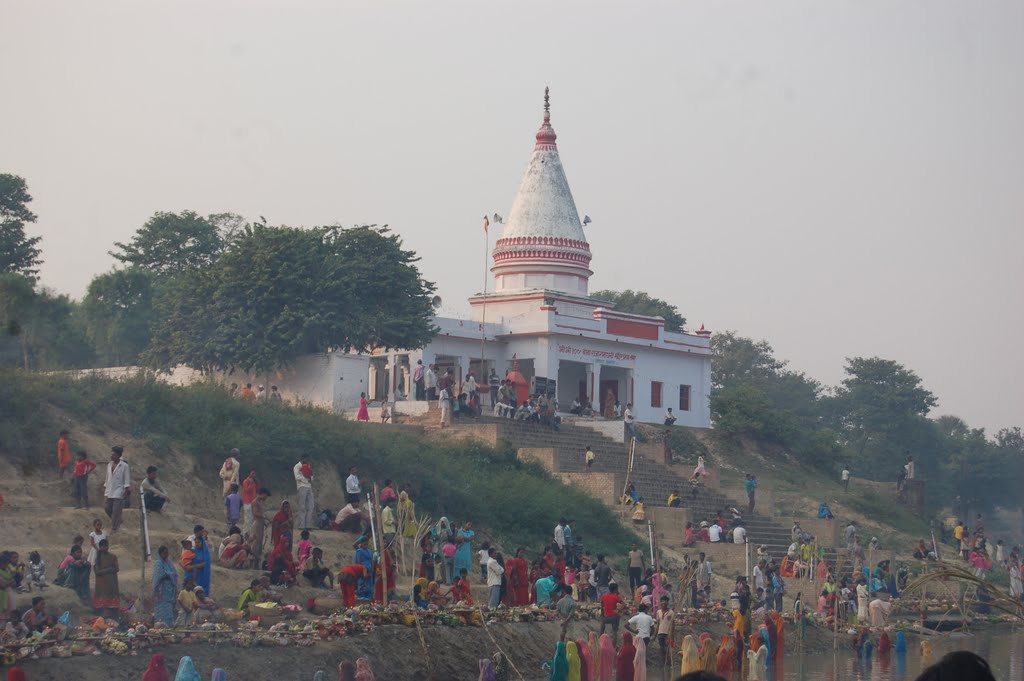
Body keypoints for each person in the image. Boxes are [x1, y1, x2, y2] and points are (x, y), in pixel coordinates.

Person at [103, 446, 131, 532]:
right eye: (112, 454)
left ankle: (114, 528)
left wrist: (126, 491)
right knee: (107, 508)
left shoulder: (124, 466)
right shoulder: (109, 465)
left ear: (119, 456)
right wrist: (105, 487)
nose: (112, 456)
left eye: (114, 455)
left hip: (119, 491)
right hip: (110, 490)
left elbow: (127, 479)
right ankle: (118, 521)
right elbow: (107, 477)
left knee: (116, 511)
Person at [92, 538, 119, 618]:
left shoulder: (113, 556)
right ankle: (103, 617)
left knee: (112, 604)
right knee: (102, 603)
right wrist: (109, 569)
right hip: (102, 584)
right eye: (103, 546)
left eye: (106, 546)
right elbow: (97, 572)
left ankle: (112, 617)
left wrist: (106, 570)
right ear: (100, 547)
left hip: (111, 583)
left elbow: (116, 568)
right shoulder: (97, 558)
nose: (105, 548)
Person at [152, 545, 178, 627]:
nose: (166, 554)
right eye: (164, 553)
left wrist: (169, 575)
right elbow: (159, 574)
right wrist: (168, 574)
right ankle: (160, 626)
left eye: (167, 553)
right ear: (160, 553)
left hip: (169, 591)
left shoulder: (169, 563)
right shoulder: (158, 563)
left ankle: (169, 626)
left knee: (169, 610)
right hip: (161, 591)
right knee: (161, 609)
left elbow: (175, 574)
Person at [293, 456, 315, 532]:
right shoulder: (297, 466)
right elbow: (297, 477)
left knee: (311, 505)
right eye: (306, 459)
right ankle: (302, 525)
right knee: (302, 506)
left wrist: (309, 478)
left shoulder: (308, 466)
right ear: (302, 459)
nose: (307, 460)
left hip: (309, 486)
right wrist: (305, 478)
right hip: (302, 486)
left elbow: (311, 476)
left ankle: (308, 525)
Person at [192, 526, 212, 594]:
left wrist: (195, 566)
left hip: (203, 575)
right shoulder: (193, 551)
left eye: (199, 542)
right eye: (196, 542)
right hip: (195, 575)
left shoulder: (206, 553)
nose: (197, 544)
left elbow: (206, 563)